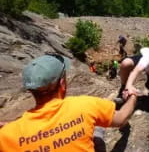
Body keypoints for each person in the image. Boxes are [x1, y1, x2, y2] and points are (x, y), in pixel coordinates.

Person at [0, 53, 138, 152]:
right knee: (97, 131)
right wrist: (132, 95)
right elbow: (121, 119)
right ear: (62, 83)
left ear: (31, 90)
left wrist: (11, 128)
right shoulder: (85, 105)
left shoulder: (6, 136)